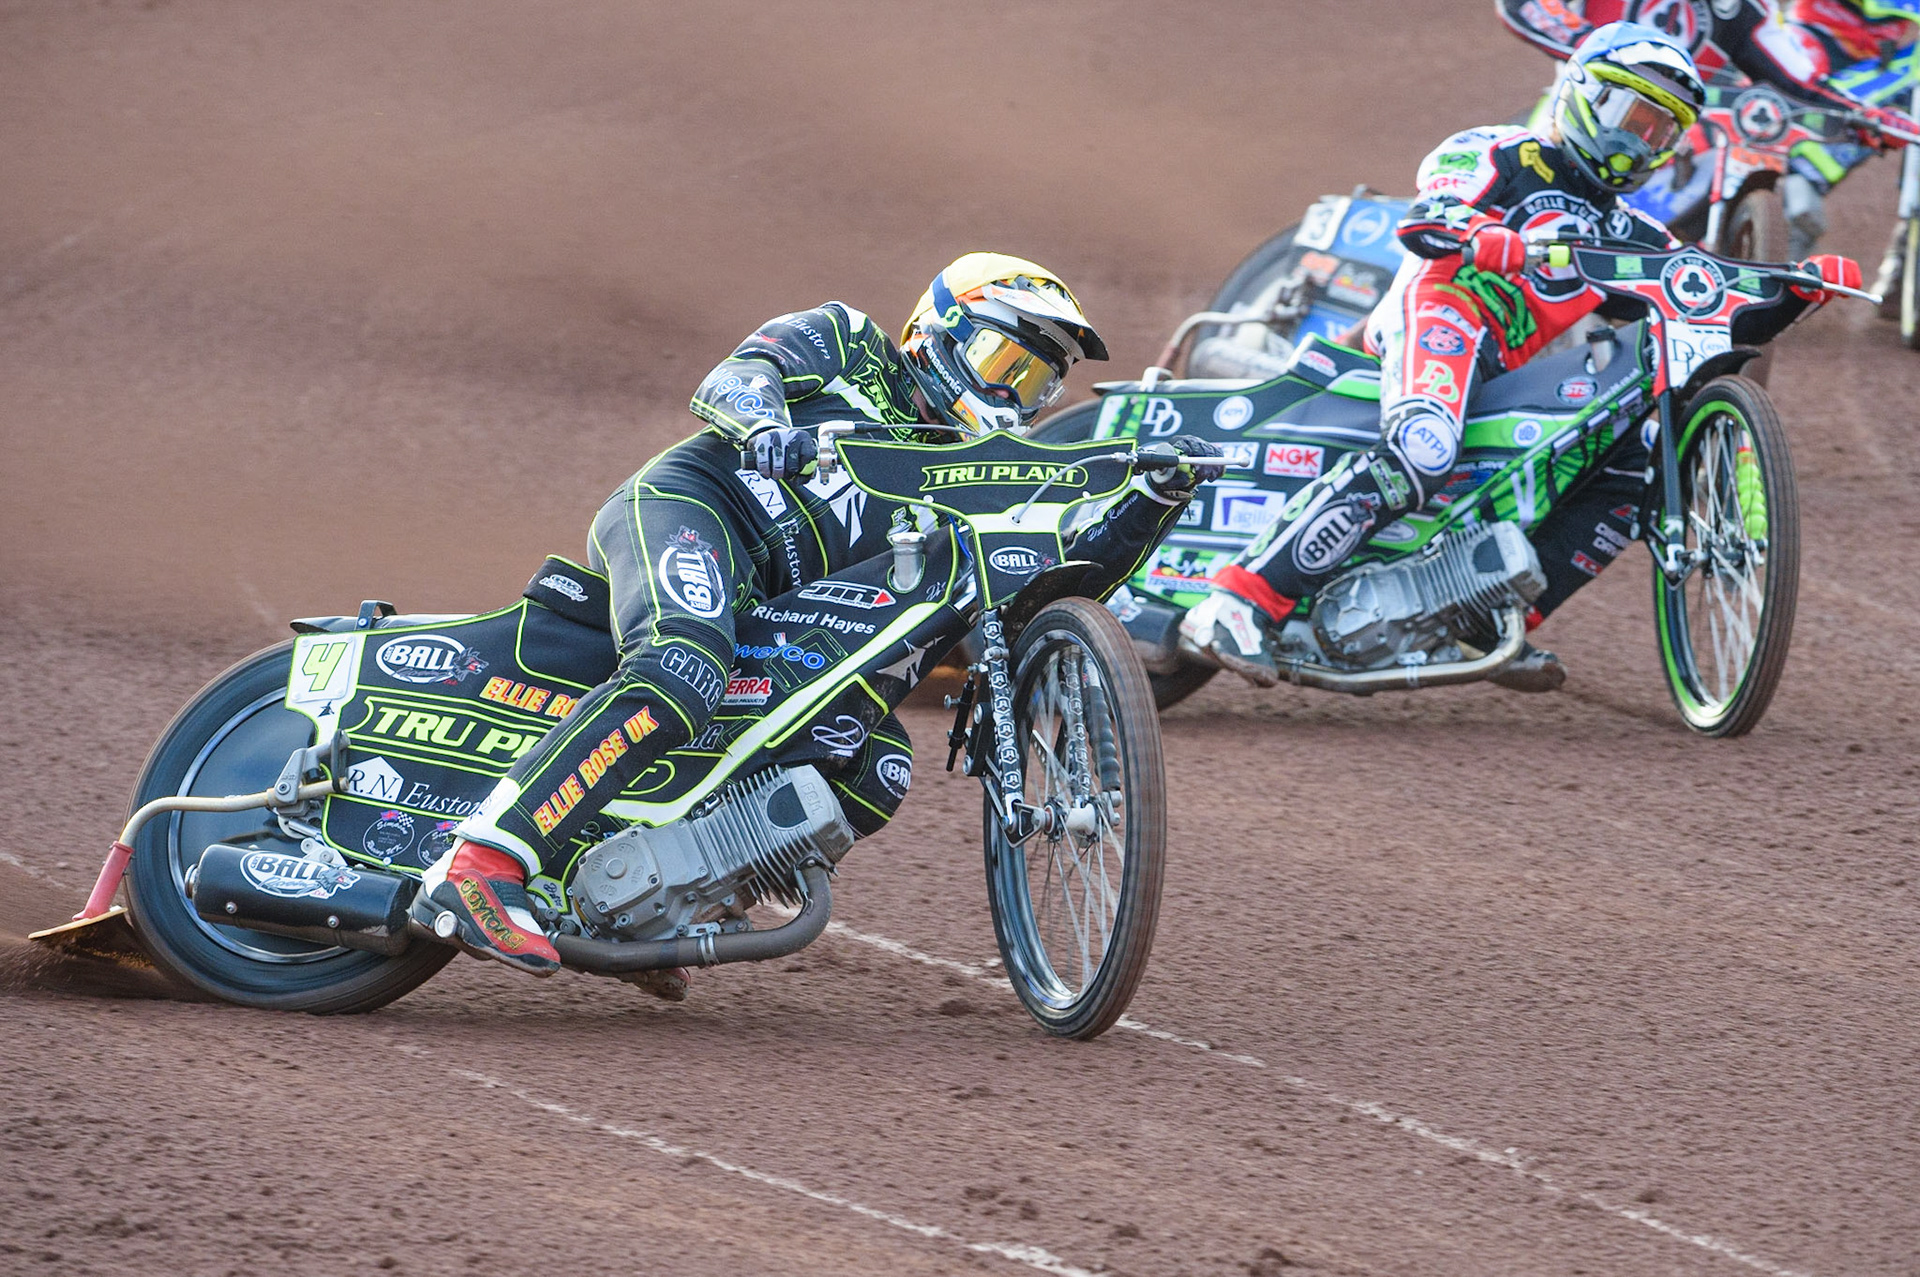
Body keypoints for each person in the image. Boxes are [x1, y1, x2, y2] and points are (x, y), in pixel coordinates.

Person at [412, 253, 1221, 987]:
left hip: (771, 602)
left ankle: (645, 908)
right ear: (939, 334)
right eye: (1003, 361)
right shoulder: (849, 341)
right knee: (682, 668)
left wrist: (1154, 502)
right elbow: (734, 376)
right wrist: (767, 426)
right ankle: (481, 860)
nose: (1016, 395)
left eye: (1038, 382)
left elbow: (1046, 599)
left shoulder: (978, 477)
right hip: (697, 507)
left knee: (874, 764)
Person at [1182, 23, 1860, 690]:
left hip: (1499, 364)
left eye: (1659, 130)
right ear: (1584, 94)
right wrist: (1483, 234)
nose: (1638, 141)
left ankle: (1486, 620)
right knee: (1423, 447)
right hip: (1443, 312)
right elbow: (1428, 217)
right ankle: (1238, 600)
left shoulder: (1626, 229)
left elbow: (1704, 292)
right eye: (1630, 115)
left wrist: (1795, 287)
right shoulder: (1503, 152)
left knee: (1633, 462)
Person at [1498, 0, 1917, 259]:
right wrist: (1595, 44)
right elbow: (1523, 5)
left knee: (1755, 149)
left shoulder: (1741, 9)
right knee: (1512, 193)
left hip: (1679, 146)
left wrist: (1868, 116)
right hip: (1570, 124)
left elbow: (1798, 78)